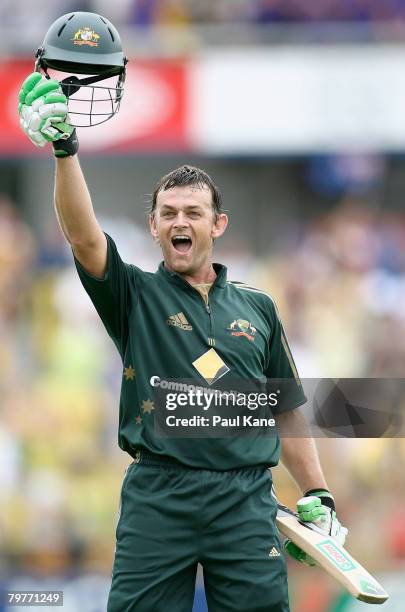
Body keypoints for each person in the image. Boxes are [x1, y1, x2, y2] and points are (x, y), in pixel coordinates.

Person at [19, 73, 347, 612]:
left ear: (217, 224)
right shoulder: (134, 294)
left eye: (192, 213)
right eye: (168, 213)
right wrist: (65, 149)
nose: (180, 221)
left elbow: (284, 410)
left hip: (244, 500)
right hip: (158, 495)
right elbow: (82, 235)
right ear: (152, 226)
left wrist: (317, 494)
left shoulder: (258, 308)